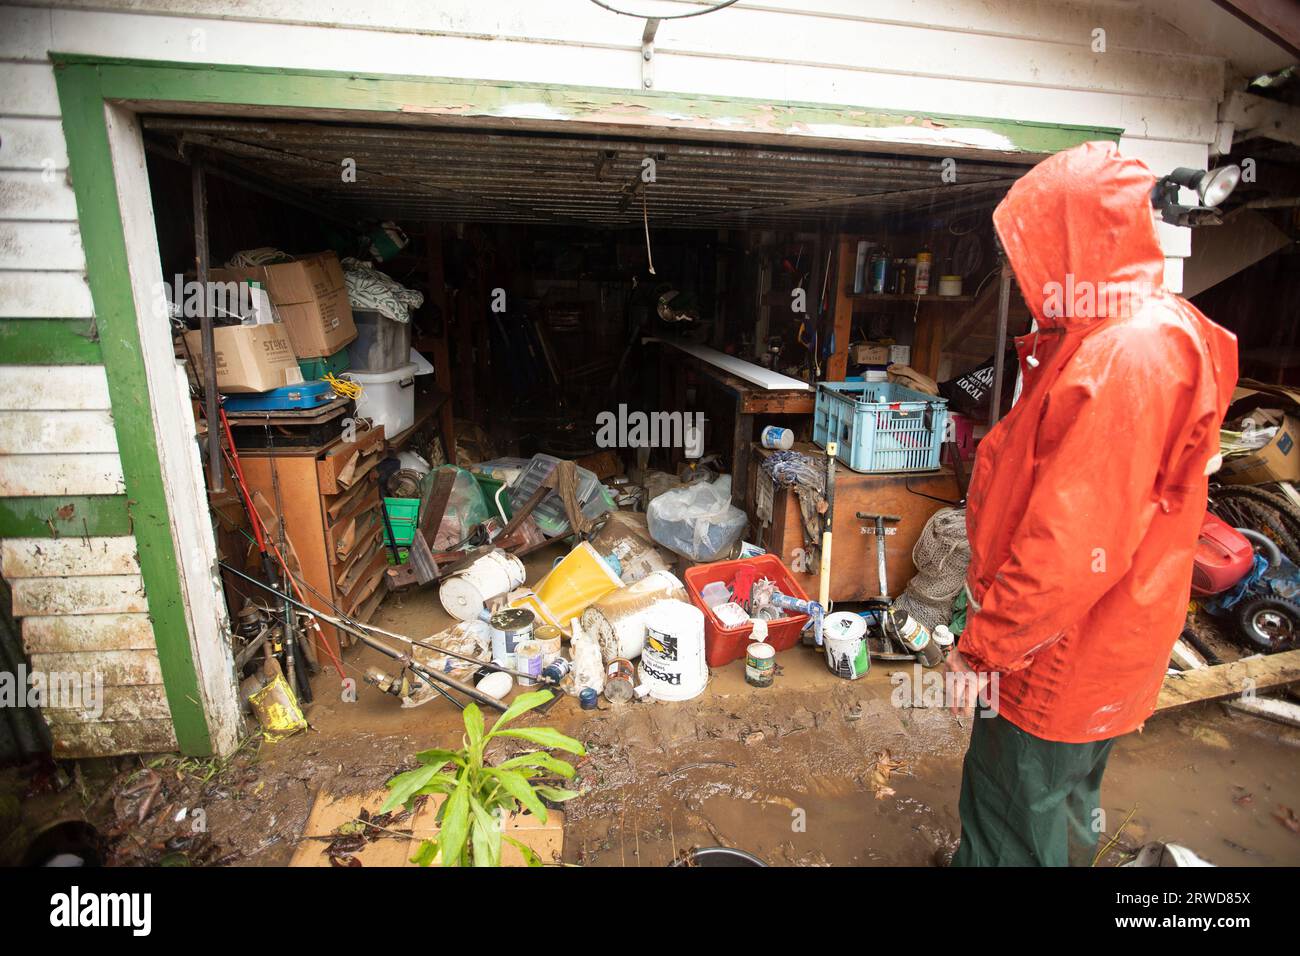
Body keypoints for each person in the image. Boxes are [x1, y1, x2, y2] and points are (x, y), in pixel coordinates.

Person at [945, 141, 1238, 867]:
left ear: (1073, 239)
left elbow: (1069, 549)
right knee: (1060, 803)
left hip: (1058, 653)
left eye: (1034, 244)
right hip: (1108, 642)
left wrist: (983, 650)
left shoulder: (1122, 356)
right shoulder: (1145, 328)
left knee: (1010, 817)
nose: (1022, 266)